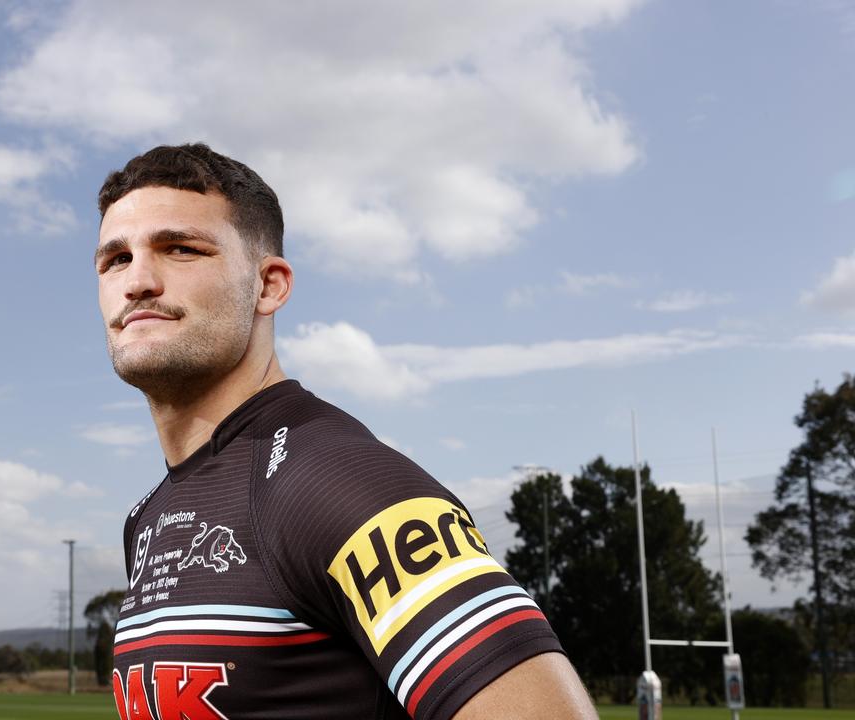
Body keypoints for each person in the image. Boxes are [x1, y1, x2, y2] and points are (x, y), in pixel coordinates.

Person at [95, 143, 596, 719]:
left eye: (181, 248)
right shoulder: (149, 518)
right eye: (115, 260)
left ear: (269, 286)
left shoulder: (334, 481)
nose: (138, 281)